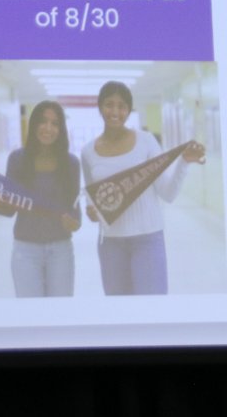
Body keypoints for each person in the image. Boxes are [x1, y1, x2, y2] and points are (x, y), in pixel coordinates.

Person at [82, 81, 204, 296]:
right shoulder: (88, 152)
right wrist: (92, 212)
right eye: (109, 104)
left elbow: (167, 193)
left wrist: (183, 163)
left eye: (122, 106)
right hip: (110, 244)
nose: (115, 112)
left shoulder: (146, 142)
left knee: (152, 309)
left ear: (129, 110)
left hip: (147, 241)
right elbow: (92, 201)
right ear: (100, 107)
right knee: (119, 310)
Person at [5, 100, 81, 297]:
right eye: (43, 121)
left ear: (61, 129)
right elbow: (7, 208)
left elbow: (75, 212)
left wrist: (73, 223)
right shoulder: (17, 160)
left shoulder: (71, 163)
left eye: (55, 123)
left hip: (60, 251)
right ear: (34, 125)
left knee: (60, 311)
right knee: (30, 312)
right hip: (25, 251)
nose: (48, 128)